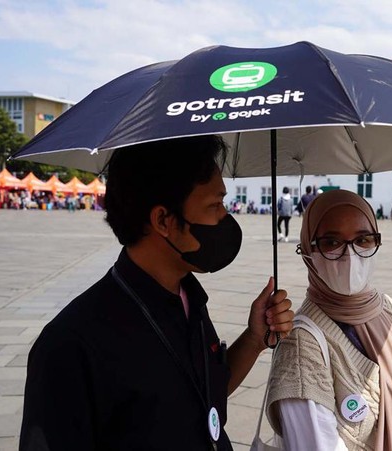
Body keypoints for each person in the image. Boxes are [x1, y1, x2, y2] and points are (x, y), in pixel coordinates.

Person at [20, 136, 295, 451]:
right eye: (214, 204)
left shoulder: (189, 299)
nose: (224, 216)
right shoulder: (71, 344)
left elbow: (204, 391)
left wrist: (254, 339)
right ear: (164, 220)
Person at [265, 189, 392, 450]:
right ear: (308, 250)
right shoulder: (300, 346)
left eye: (363, 239)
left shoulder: (389, 312)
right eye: (332, 242)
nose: (349, 254)